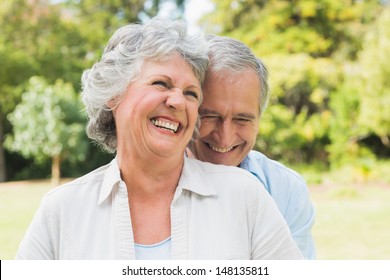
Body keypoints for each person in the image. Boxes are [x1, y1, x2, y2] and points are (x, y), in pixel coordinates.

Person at [15, 18, 303, 260]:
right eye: (161, 84)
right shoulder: (62, 210)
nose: (178, 100)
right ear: (114, 95)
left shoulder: (244, 196)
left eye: (191, 93)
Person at [189, 34, 316, 259]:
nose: (225, 138)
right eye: (209, 116)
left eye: (242, 119)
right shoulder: (152, 184)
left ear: (259, 120)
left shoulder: (286, 190)